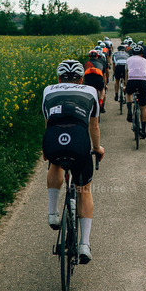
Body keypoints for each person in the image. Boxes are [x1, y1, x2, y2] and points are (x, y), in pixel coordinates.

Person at [42, 60, 105, 264]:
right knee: (84, 191)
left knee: (55, 163)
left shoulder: (48, 90)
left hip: (53, 140)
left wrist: (46, 149)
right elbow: (93, 126)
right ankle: (84, 244)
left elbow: (48, 123)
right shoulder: (91, 91)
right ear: (81, 79)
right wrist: (97, 148)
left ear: (59, 78)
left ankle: (53, 213)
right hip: (79, 142)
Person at [125, 44, 146, 138]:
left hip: (131, 80)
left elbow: (126, 73)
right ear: (141, 53)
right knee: (143, 108)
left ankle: (129, 112)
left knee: (128, 93)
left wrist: (126, 85)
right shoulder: (145, 61)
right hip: (143, 81)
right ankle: (143, 131)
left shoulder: (128, 60)